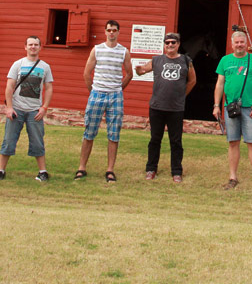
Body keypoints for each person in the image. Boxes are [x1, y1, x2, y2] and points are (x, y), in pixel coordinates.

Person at [76, 20, 133, 183]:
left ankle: (110, 170)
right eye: (109, 30)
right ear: (105, 32)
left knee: (114, 134)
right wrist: (93, 91)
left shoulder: (124, 52)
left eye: (114, 30)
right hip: (97, 93)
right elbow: (87, 73)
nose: (111, 33)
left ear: (118, 32)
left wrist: (118, 89)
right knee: (89, 131)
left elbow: (129, 74)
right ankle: (82, 167)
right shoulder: (97, 49)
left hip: (115, 96)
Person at [135, 32, 196, 182]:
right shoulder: (157, 60)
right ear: (164, 45)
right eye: (167, 42)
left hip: (176, 108)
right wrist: (137, 69)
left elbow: (192, 81)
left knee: (176, 141)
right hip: (157, 106)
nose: (170, 45)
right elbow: (142, 71)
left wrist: (181, 96)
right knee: (155, 139)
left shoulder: (186, 60)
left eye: (173, 43)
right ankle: (151, 169)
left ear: (178, 44)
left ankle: (176, 171)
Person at [212, 31, 252, 191]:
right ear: (232, 44)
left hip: (250, 108)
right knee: (233, 142)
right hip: (231, 107)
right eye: (237, 42)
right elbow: (220, 84)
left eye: (242, 42)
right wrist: (216, 105)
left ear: (246, 43)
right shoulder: (225, 60)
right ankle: (232, 177)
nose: (239, 45)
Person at [0, 35, 54, 182]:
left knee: (37, 141)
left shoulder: (45, 67)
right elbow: (9, 86)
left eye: (36, 44)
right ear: (25, 47)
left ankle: (43, 171)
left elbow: (49, 87)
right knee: (8, 140)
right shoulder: (18, 64)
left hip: (34, 111)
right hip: (17, 109)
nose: (33, 47)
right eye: (30, 45)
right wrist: (9, 108)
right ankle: (1, 170)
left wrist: (44, 107)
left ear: (40, 47)